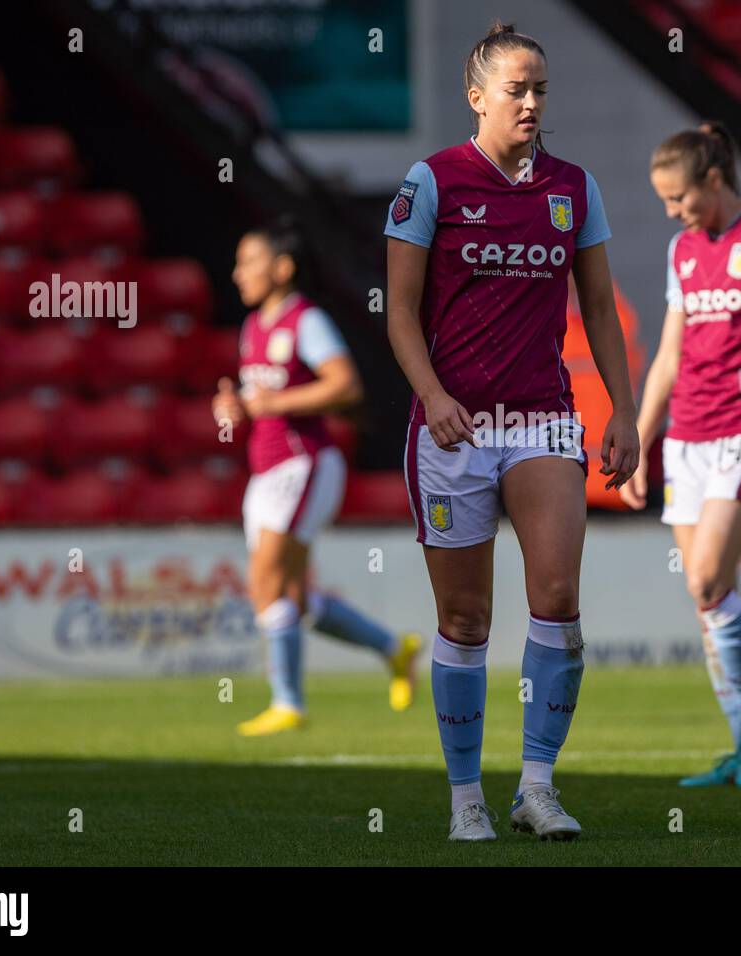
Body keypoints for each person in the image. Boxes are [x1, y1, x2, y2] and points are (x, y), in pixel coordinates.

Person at [384, 21, 639, 841]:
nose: (531, 104)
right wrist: (433, 392)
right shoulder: (432, 183)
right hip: (454, 430)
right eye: (516, 90)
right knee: (464, 624)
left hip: (541, 421)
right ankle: (467, 799)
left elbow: (597, 307)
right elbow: (398, 310)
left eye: (540, 91)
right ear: (476, 96)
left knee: (558, 601)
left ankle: (538, 787)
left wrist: (626, 410)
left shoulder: (574, 187)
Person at [621, 122, 741, 788]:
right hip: (687, 439)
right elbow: (669, 357)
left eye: (678, 198)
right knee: (708, 594)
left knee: (707, 579)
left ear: (713, 180)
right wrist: (642, 442)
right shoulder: (683, 251)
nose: (672, 213)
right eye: (664, 202)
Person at [213, 219, 422, 737]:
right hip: (266, 468)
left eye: (249, 261)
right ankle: (395, 650)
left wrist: (273, 402)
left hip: (302, 461)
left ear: (282, 268)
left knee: (265, 581)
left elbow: (346, 385)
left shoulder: (306, 321)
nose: (239, 273)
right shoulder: (254, 326)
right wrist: (235, 408)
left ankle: (288, 703)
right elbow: (260, 400)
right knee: (294, 598)